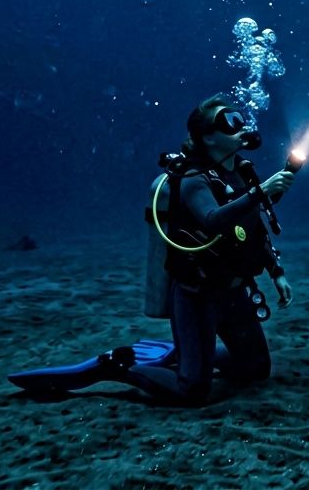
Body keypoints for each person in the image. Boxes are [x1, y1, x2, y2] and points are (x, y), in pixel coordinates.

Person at [119, 94, 295, 405]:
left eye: (240, 119)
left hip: (234, 292)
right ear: (207, 138)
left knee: (255, 369)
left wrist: (275, 271)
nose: (240, 127)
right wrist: (261, 191)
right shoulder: (192, 179)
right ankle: (122, 368)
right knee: (193, 391)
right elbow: (213, 221)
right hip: (196, 295)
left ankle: (192, 353)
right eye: (229, 122)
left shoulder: (242, 172)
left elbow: (252, 229)